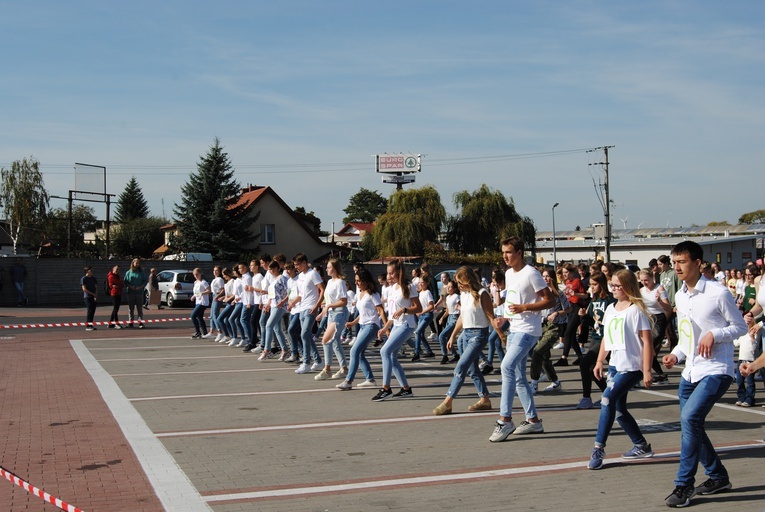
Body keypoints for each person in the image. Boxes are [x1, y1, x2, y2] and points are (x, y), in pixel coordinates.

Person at [662, 241, 747, 508]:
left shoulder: (718, 293)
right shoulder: (680, 296)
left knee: (689, 419)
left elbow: (740, 327)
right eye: (674, 262)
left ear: (698, 263)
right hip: (690, 371)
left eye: (682, 262)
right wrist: (676, 354)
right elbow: (688, 336)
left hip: (717, 370)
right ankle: (718, 476)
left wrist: (715, 334)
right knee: (692, 426)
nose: (677, 267)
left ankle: (684, 485)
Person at [587, 269, 654, 470]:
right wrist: (600, 361)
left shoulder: (636, 310)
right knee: (618, 409)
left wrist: (647, 369)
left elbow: (647, 341)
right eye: (612, 285)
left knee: (607, 399)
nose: (614, 289)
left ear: (627, 287)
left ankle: (598, 448)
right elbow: (607, 339)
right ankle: (641, 445)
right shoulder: (611, 309)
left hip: (632, 367)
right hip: (615, 366)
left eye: (617, 286)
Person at [489, 237, 553, 442]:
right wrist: (504, 319)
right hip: (514, 328)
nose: (505, 256)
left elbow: (549, 299)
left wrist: (526, 308)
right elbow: (512, 300)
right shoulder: (508, 274)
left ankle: (505, 420)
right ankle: (533, 421)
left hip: (529, 330)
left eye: (508, 252)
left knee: (506, 367)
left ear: (519, 252)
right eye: (503, 252)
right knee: (518, 376)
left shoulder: (531, 273)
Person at [433, 266, 501, 415]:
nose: (458, 286)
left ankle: (447, 402)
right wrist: (452, 336)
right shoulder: (464, 295)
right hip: (465, 335)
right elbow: (462, 318)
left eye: (460, 282)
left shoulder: (482, 294)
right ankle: (485, 399)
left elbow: (491, 317)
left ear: (468, 279)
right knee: (472, 369)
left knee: (461, 367)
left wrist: (502, 337)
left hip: (479, 335)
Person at [372, 259, 422, 401]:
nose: (389, 276)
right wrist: (385, 328)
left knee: (385, 351)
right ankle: (406, 389)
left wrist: (405, 309)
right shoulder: (392, 289)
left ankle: (386, 388)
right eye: (388, 273)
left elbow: (419, 308)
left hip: (407, 325)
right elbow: (393, 314)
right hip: (396, 325)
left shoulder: (409, 286)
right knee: (392, 357)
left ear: (399, 272)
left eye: (391, 273)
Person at [336, 268, 386, 390]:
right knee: (359, 354)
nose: (356, 283)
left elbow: (380, 310)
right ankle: (370, 379)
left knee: (354, 351)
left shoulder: (373, 294)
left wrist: (385, 328)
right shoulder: (360, 294)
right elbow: (363, 313)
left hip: (371, 326)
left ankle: (348, 381)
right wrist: (353, 322)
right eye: (355, 281)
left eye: (359, 281)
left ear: (365, 281)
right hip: (363, 325)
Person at [576, 272, 615, 409]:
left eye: (594, 284)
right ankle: (608, 394)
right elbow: (591, 322)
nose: (592, 287)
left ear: (602, 284)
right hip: (595, 337)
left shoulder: (610, 301)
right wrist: (583, 316)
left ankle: (586, 397)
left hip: (605, 338)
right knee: (593, 369)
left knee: (585, 364)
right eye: (590, 285)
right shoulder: (594, 301)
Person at [530, 268, 570, 394]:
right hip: (541, 325)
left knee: (537, 352)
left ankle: (534, 383)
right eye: (543, 276)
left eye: (548, 276)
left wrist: (557, 313)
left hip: (554, 326)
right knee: (544, 357)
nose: (545, 278)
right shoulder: (540, 292)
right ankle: (556, 382)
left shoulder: (558, 293)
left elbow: (568, 309)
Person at [314, 259, 349, 379]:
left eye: (329, 267)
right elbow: (328, 301)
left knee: (325, 340)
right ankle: (344, 369)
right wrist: (323, 312)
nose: (327, 269)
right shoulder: (329, 282)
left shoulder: (340, 282)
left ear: (334, 268)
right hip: (331, 313)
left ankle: (327, 369)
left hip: (340, 313)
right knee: (334, 342)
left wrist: (329, 306)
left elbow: (344, 301)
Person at [291, 254, 325, 374]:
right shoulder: (300, 276)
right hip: (302, 308)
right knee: (307, 335)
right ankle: (318, 361)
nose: (296, 267)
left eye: (297, 264)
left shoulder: (313, 273)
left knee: (304, 333)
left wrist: (317, 305)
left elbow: (322, 289)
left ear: (304, 263)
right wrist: (292, 303)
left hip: (311, 307)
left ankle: (306, 362)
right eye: (295, 265)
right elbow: (300, 295)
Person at [638, 269, 672, 384]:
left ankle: (654, 374)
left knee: (649, 347)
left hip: (658, 319)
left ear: (652, 278)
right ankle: (661, 375)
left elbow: (668, 308)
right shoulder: (641, 290)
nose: (644, 283)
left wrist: (659, 301)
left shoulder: (659, 289)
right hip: (647, 319)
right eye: (642, 280)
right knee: (646, 349)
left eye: (646, 280)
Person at [553, 264, 587, 367]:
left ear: (572, 272)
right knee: (571, 335)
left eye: (566, 272)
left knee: (568, 332)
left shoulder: (577, 281)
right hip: (569, 307)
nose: (565, 275)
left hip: (577, 307)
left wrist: (575, 294)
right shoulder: (566, 282)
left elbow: (585, 295)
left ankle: (564, 358)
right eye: (563, 273)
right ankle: (580, 357)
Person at [260, 260, 290, 360]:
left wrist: (283, 301)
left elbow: (289, 291)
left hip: (281, 306)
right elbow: (271, 295)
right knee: (277, 329)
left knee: (268, 325)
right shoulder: (273, 280)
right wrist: (268, 304)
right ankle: (285, 350)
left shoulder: (282, 278)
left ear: (276, 268)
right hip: (273, 305)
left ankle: (266, 350)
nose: (270, 271)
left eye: (271, 269)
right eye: (269, 269)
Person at [412, 279, 436, 361]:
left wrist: (422, 312)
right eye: (419, 282)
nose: (421, 284)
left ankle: (417, 353)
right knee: (421, 335)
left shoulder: (428, 292)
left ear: (427, 283)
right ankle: (430, 352)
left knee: (418, 332)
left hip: (427, 315)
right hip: (422, 316)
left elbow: (431, 306)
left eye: (422, 282)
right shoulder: (420, 293)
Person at [437, 280, 461, 364]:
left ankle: (445, 355)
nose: (448, 288)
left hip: (455, 318)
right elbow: (447, 311)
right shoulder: (447, 297)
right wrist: (442, 318)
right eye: (448, 286)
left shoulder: (456, 296)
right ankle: (455, 355)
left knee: (442, 336)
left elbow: (461, 307)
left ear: (454, 289)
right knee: (447, 338)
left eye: (450, 287)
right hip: (449, 317)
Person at [124, 259, 147, 329]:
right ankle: (131, 322)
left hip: (139, 293)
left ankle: (140, 322)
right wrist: (131, 287)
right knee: (131, 308)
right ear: (133, 263)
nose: (137, 264)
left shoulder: (141, 272)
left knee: (139, 308)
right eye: (136, 263)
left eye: (138, 263)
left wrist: (140, 287)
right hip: (131, 292)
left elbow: (145, 281)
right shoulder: (129, 272)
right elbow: (125, 281)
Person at [190, 268, 211, 339]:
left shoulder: (203, 282)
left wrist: (202, 293)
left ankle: (197, 332)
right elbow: (196, 292)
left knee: (193, 316)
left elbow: (209, 290)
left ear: (200, 274)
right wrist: (193, 296)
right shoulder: (196, 282)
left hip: (203, 302)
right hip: (198, 301)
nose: (196, 276)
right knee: (199, 317)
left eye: (197, 274)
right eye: (194, 275)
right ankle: (204, 332)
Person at [209, 266, 225, 340]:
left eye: (217, 271)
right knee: (212, 314)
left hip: (217, 296)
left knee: (215, 314)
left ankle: (220, 331)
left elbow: (222, 290)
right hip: (214, 295)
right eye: (214, 270)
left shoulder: (220, 279)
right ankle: (212, 331)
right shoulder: (215, 279)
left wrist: (217, 296)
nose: (215, 272)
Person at [106, 264, 124, 329]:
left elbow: (121, 284)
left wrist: (118, 284)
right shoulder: (111, 276)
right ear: (113, 269)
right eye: (116, 269)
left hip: (119, 293)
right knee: (115, 308)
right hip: (114, 294)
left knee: (115, 309)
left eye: (118, 269)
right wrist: (118, 284)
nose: (117, 270)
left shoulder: (118, 276)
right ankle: (116, 323)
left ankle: (110, 322)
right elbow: (112, 284)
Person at [81, 266, 98, 331]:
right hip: (87, 297)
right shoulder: (84, 279)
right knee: (90, 310)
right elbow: (84, 289)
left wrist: (95, 295)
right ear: (87, 271)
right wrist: (92, 294)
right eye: (91, 270)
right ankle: (88, 325)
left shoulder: (93, 278)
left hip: (93, 296)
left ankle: (91, 324)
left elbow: (96, 287)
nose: (92, 272)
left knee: (93, 310)